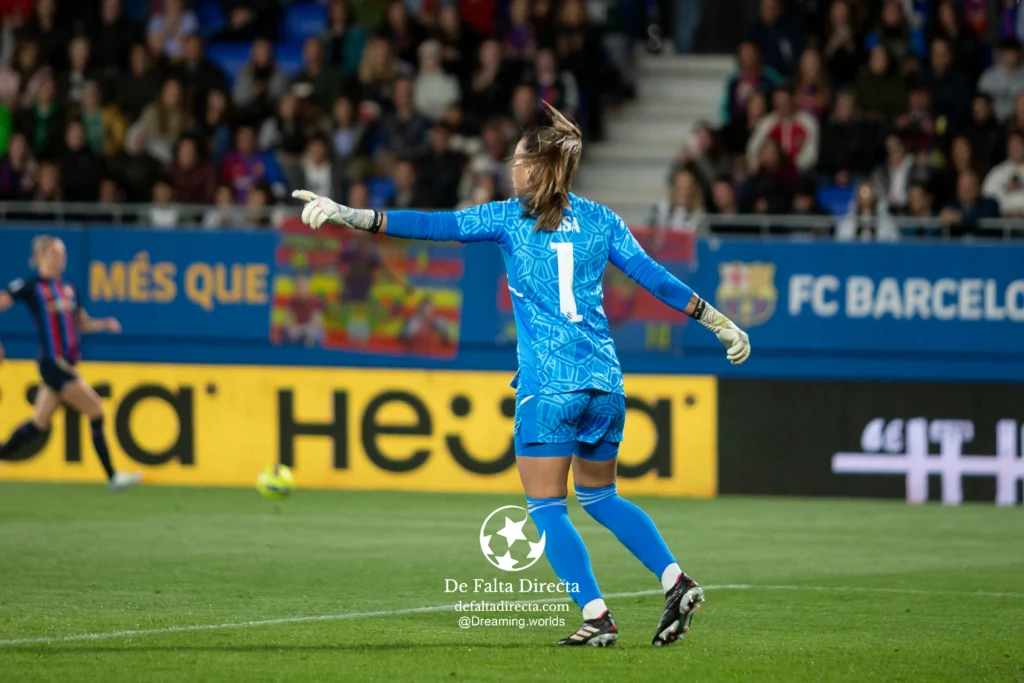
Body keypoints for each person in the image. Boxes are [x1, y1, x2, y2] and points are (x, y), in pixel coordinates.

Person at [292, 103, 751, 647]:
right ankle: (676, 581)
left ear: (535, 168)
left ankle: (598, 616)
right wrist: (718, 323)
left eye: (517, 160)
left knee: (546, 508)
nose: (511, 168)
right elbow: (654, 278)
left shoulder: (510, 217)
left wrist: (352, 214)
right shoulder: (603, 220)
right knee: (602, 498)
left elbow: (435, 226)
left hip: (549, 386)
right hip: (606, 382)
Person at [0, 236, 141, 490]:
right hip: (53, 363)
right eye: (55, 253)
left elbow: (82, 324)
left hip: (66, 363)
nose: (60, 258)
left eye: (63, 254)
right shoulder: (31, 286)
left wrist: (104, 324)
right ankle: (112, 476)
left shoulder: (69, 288)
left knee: (38, 424)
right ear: (41, 255)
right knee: (96, 409)